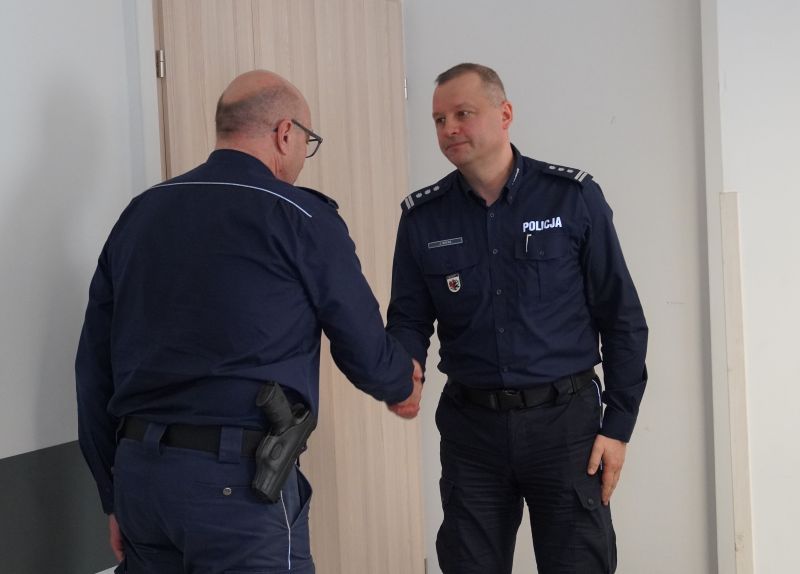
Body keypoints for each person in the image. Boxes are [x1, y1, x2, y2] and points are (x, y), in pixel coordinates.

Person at [76, 69, 422, 574]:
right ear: (285, 133)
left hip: (140, 482)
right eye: (308, 141)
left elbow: (92, 367)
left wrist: (113, 495)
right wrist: (401, 384)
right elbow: (362, 346)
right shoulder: (299, 216)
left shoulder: (140, 214)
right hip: (236, 487)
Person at [387, 63, 648, 573]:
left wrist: (618, 426)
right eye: (439, 120)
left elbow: (621, 316)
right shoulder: (423, 218)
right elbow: (408, 320)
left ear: (505, 114)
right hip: (472, 433)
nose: (449, 129)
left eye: (463, 114)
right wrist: (403, 368)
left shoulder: (571, 198)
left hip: (565, 427)